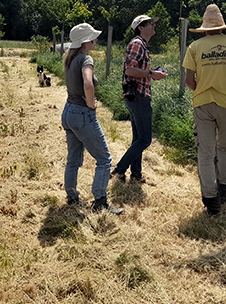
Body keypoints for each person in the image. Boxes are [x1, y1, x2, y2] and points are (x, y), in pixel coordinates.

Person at [182, 4, 226, 216]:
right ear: (222, 26)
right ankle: (225, 191)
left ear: (204, 27)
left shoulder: (195, 47)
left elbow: (189, 81)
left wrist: (204, 84)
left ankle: (210, 200)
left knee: (206, 152)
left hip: (203, 103)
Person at [61, 23, 124, 215]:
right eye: (94, 38)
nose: (96, 40)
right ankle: (100, 201)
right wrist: (91, 104)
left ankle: (72, 196)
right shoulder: (85, 59)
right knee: (104, 159)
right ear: (86, 41)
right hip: (82, 113)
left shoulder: (70, 59)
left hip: (68, 111)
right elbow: (88, 85)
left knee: (73, 158)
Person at [111, 14, 168, 184]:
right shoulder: (137, 44)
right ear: (140, 28)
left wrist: (152, 74)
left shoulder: (142, 44)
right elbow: (130, 70)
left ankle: (136, 174)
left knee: (138, 138)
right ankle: (119, 169)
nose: (153, 26)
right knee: (145, 139)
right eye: (150, 24)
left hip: (136, 95)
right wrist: (152, 74)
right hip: (138, 96)